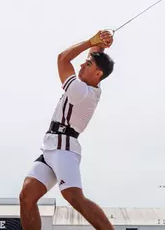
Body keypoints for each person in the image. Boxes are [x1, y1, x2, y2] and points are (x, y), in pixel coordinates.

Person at [19, 30, 115, 230]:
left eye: (87, 64)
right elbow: (94, 53)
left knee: (75, 198)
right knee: (27, 196)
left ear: (98, 74)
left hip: (64, 149)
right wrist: (101, 43)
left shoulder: (82, 91)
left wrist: (91, 41)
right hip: (51, 147)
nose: (82, 64)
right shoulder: (90, 81)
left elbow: (62, 59)